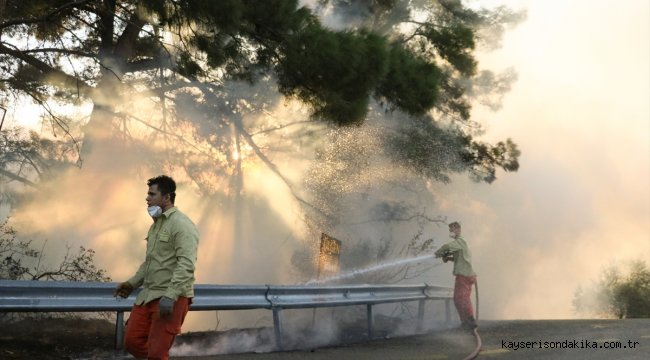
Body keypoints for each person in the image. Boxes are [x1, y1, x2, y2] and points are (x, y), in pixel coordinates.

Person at [114, 175, 199, 360]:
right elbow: (151, 262)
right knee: (132, 342)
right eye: (148, 194)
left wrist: (170, 296)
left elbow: (186, 264)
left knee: (157, 352)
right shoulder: (155, 226)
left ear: (167, 197)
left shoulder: (182, 225)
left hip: (171, 297)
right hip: (148, 296)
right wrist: (131, 284)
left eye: (152, 194)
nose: (147, 198)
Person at [434, 221, 477, 330]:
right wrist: (448, 258)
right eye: (449, 230)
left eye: (452, 229)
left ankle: (470, 321)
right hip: (464, 275)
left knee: (462, 298)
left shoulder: (460, 241)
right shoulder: (460, 244)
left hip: (464, 275)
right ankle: (465, 322)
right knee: (458, 299)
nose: (450, 232)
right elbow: (460, 259)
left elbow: (446, 246)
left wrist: (437, 253)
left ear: (458, 229)